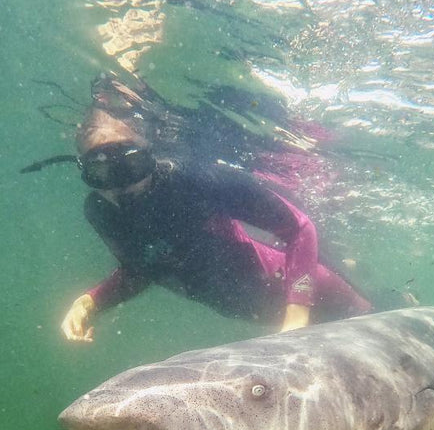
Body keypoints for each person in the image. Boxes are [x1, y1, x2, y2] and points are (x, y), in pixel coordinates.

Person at [29, 74, 374, 343]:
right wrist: (91, 301)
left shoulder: (194, 181)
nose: (120, 184)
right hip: (271, 320)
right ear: (83, 171)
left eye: (130, 166)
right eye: (100, 173)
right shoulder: (102, 213)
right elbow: (143, 268)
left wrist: (296, 317)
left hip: (322, 299)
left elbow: (298, 228)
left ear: (150, 152)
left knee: (383, 329)